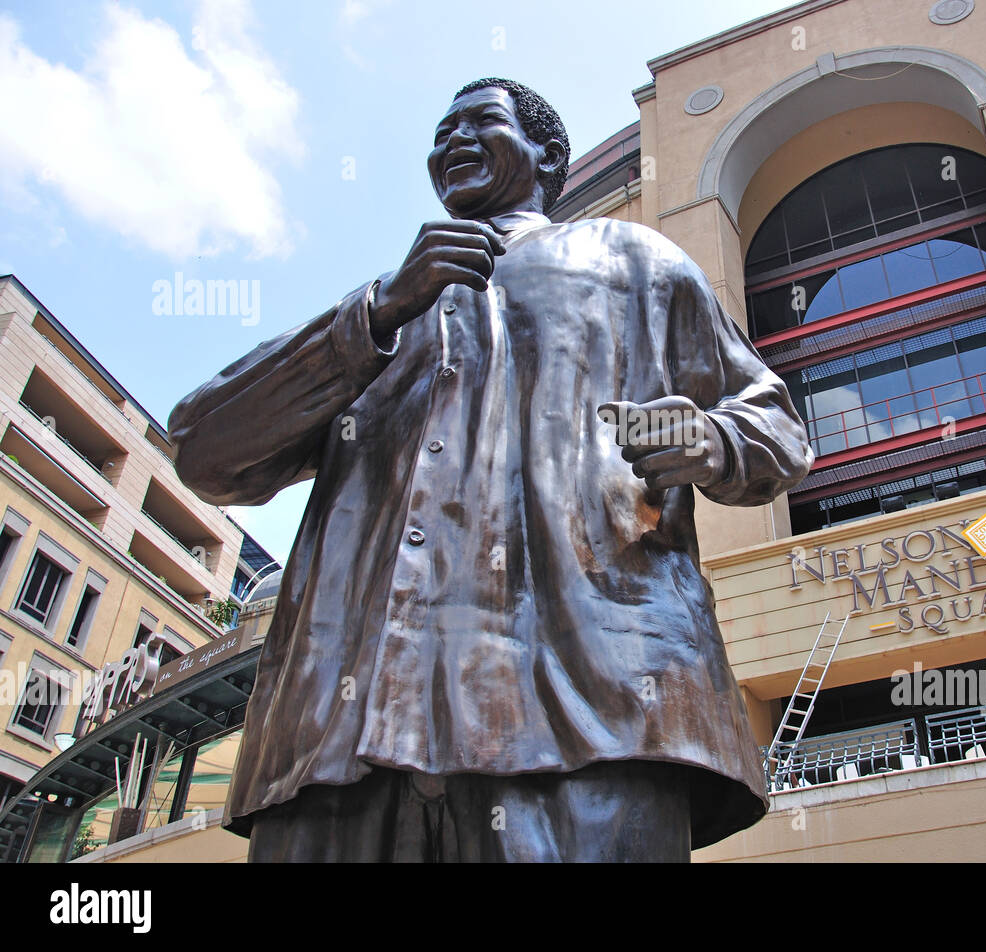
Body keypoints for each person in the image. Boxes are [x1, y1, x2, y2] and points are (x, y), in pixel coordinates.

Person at [169, 77, 813, 862]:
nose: (453, 142)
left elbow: (774, 423)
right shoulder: (381, 314)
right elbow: (204, 450)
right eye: (441, 132)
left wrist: (712, 440)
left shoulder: (634, 261)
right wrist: (376, 310)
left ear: (546, 155)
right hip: (337, 752)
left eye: (480, 123)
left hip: (589, 716)